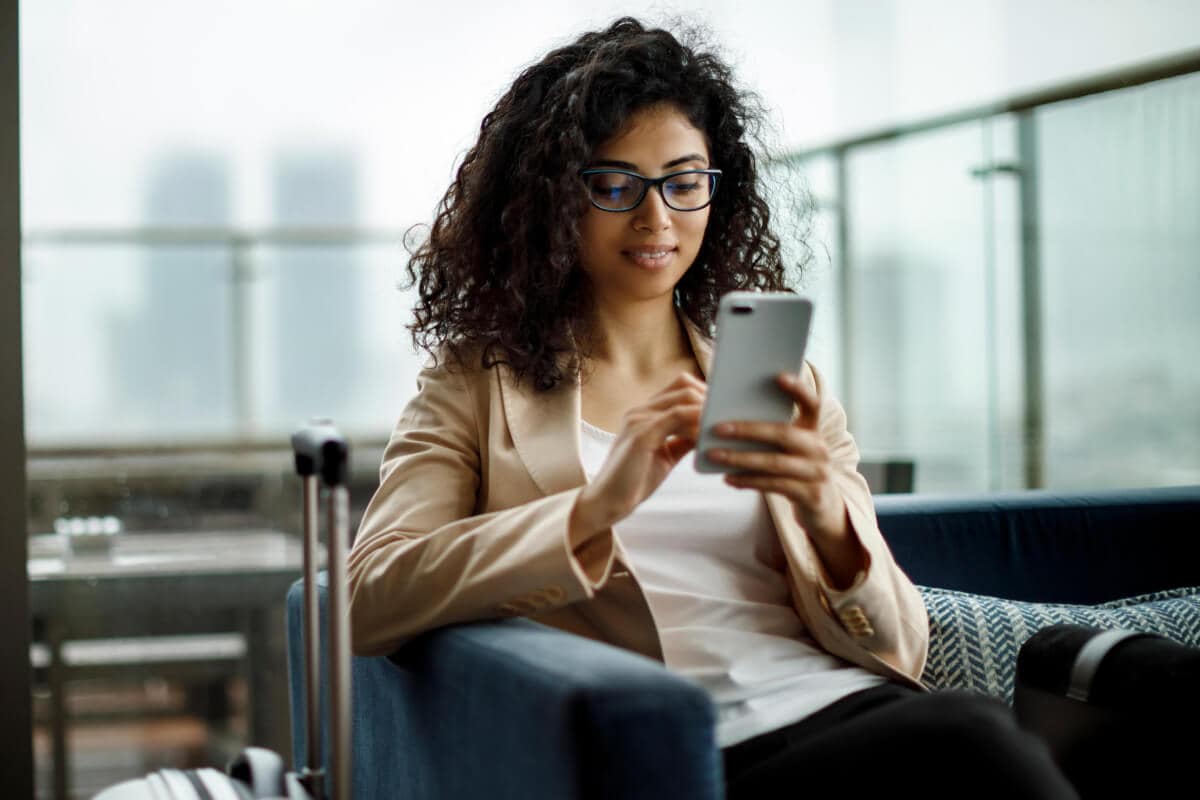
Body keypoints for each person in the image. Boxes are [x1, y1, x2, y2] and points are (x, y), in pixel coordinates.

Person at [348, 17, 1076, 799]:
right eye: (615, 184)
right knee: (968, 738)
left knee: (1099, 708)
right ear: (554, 200)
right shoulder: (473, 384)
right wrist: (595, 509)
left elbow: (899, 646)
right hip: (696, 750)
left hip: (852, 707)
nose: (656, 219)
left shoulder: (775, 375)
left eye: (684, 182)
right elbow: (365, 599)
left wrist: (830, 522)